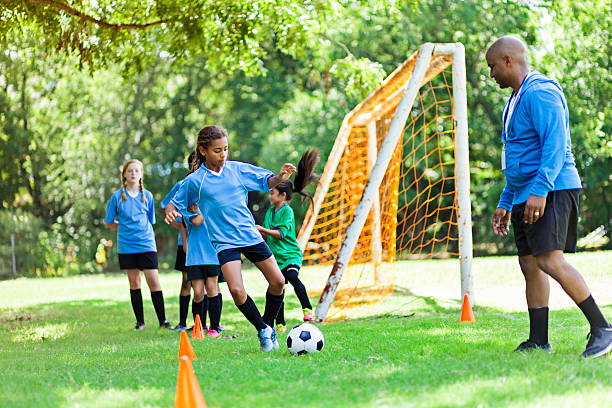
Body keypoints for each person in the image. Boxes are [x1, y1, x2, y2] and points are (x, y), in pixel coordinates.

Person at [486, 36, 612, 358]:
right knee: (529, 262)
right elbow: (518, 159)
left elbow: (555, 146)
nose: (491, 74)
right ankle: (538, 339)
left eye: (493, 67)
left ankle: (603, 328)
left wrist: (540, 188)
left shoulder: (540, 92)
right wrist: (505, 200)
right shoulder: (514, 100)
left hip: (552, 187)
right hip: (526, 191)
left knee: (548, 259)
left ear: (509, 61)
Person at [164, 125, 295, 352]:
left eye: (225, 149)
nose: (223, 155)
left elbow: (267, 181)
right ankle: (263, 330)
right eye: (217, 150)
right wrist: (171, 211)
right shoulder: (196, 180)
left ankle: (268, 324)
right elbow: (175, 202)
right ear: (203, 151)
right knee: (236, 290)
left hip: (249, 234)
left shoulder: (236, 170)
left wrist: (280, 177)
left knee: (278, 282)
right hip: (224, 242)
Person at [256, 149, 319, 333]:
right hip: (276, 257)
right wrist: (258, 234)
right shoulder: (269, 211)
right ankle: (280, 323)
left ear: (282, 195)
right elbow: (267, 236)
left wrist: (263, 229)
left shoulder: (287, 211)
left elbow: (282, 233)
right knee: (277, 287)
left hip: (290, 254)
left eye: (273, 193)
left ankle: (307, 308)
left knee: (291, 277)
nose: (270, 196)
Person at [104, 159, 172, 331]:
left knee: (154, 282)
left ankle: (163, 322)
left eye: (137, 171)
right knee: (134, 283)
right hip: (127, 246)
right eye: (130, 171)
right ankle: (140, 322)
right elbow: (109, 221)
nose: (133, 173)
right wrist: (123, 228)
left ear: (141, 174)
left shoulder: (147, 196)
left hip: (146, 244)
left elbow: (150, 221)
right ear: (124, 175)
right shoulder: (117, 197)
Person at [160, 153, 193, 332]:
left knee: (209, 284)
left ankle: (208, 325)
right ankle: (182, 323)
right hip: (185, 242)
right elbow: (165, 206)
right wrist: (180, 227)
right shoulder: (182, 185)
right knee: (187, 281)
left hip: (207, 242)